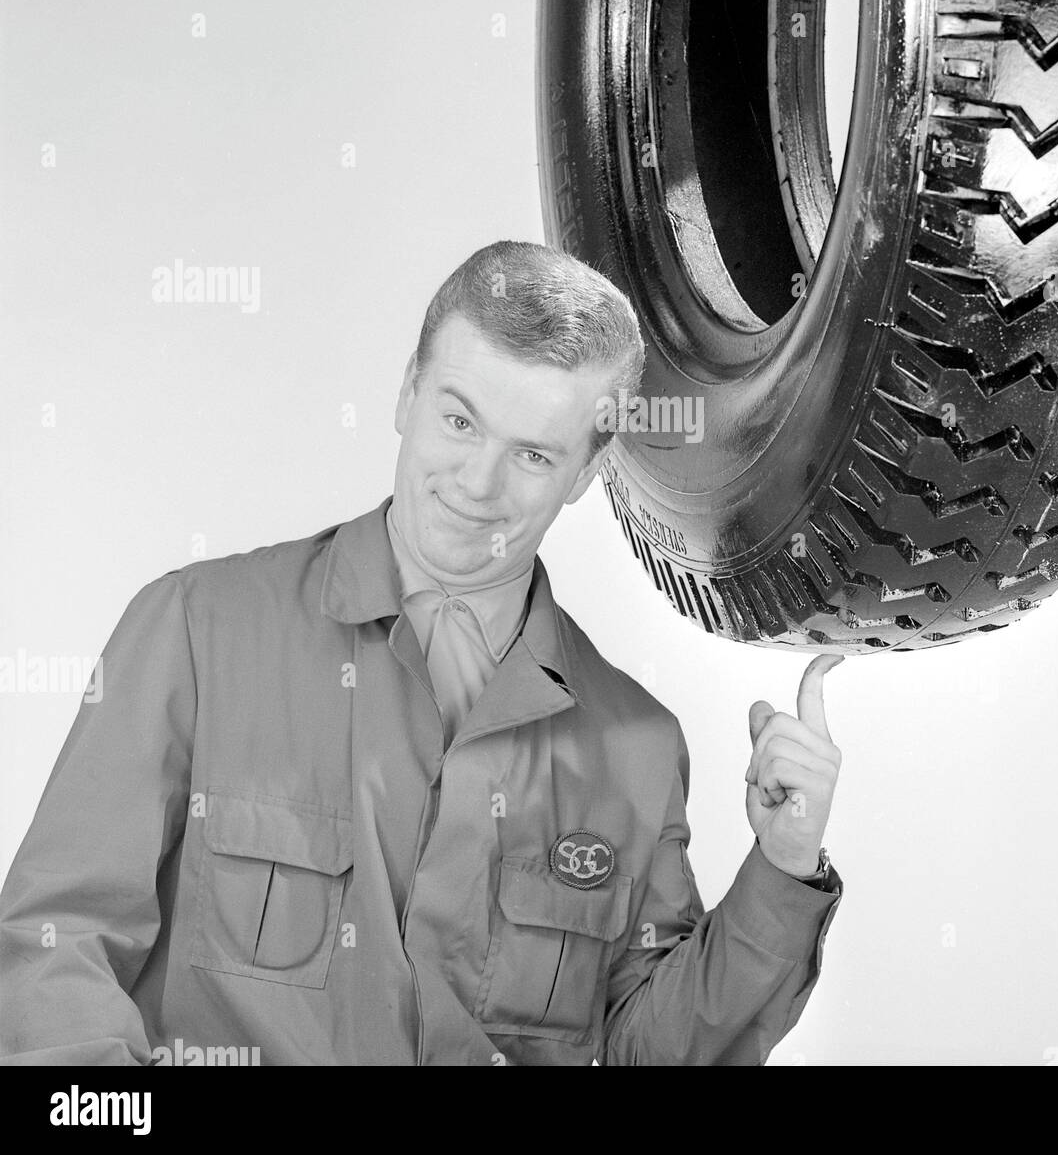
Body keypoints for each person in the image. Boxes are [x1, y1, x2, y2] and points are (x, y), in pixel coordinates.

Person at [0, 240, 844, 1066]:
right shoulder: (197, 631)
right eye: (458, 420)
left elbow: (646, 1050)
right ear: (407, 393)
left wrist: (783, 866)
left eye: (533, 454)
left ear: (588, 472)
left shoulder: (637, 746)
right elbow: (60, 940)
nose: (478, 484)